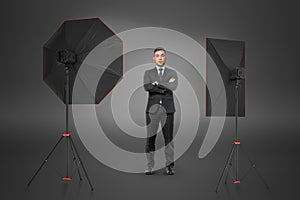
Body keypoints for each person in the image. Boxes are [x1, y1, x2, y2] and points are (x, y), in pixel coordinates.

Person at [143, 47, 178, 175]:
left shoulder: (172, 73)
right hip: (152, 111)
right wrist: (164, 86)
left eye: (162, 55)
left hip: (168, 110)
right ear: (154, 58)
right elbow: (147, 87)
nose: (160, 57)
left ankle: (170, 166)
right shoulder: (148, 73)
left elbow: (173, 86)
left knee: (168, 139)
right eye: (157, 55)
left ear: (165, 57)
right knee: (150, 138)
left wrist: (157, 84)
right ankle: (150, 166)